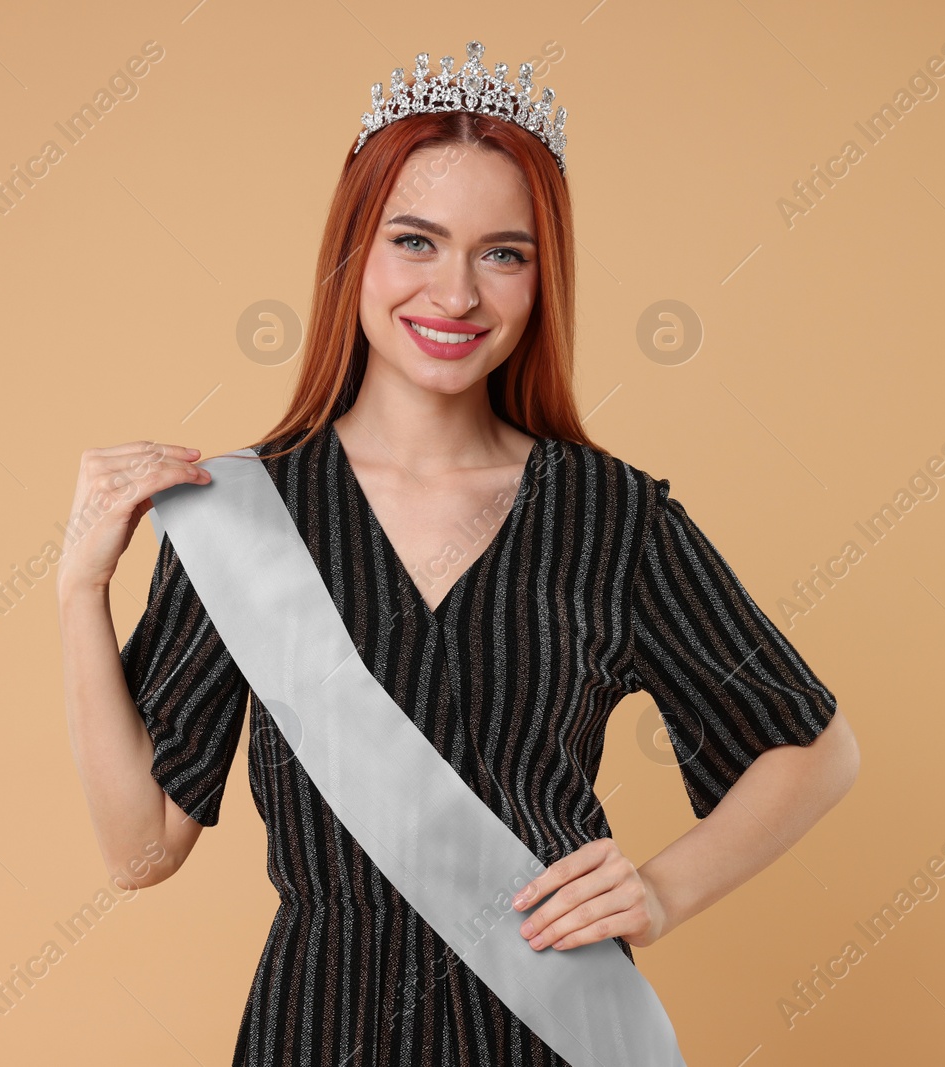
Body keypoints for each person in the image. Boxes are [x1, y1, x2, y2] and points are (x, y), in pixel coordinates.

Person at [58, 41, 859, 1066]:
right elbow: (139, 851)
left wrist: (661, 888)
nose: (456, 293)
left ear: (541, 277)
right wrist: (81, 590)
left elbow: (814, 745)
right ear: (355, 251)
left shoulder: (611, 516)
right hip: (318, 1026)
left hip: (546, 1025)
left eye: (503, 253)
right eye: (416, 240)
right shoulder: (239, 514)